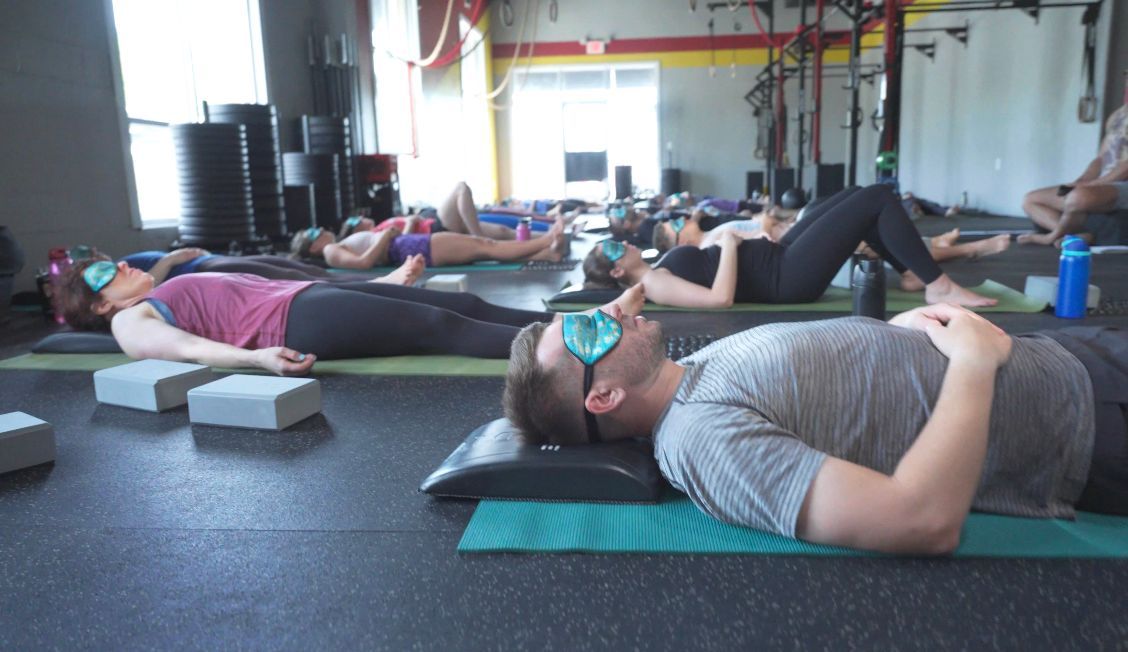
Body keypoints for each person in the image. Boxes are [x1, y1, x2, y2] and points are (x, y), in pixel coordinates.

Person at [503, 298, 1126, 555]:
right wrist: (972, 363)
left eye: (587, 314)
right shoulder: (702, 440)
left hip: (1067, 355)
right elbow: (919, 519)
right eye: (592, 332)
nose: (613, 308)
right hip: (1087, 423)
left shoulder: (690, 369)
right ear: (604, 397)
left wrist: (898, 330)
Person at [586, 185, 996, 308]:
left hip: (777, 257)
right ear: (617, 272)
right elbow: (720, 299)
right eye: (610, 250)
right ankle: (935, 283)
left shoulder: (660, 264)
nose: (619, 243)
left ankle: (910, 272)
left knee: (845, 199)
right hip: (787, 278)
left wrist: (741, 237)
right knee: (878, 199)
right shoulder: (653, 284)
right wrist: (730, 243)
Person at [1019, 75, 1128, 246]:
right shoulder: (1117, 116)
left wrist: (1094, 185)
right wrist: (1083, 180)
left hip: (1122, 186)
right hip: (1100, 187)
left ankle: (1051, 237)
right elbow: (1101, 158)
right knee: (1031, 200)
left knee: (1077, 197)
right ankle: (1079, 235)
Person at [291, 215, 566, 270]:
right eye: (314, 234)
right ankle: (545, 239)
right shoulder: (330, 250)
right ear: (313, 247)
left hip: (409, 244)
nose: (320, 230)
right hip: (412, 248)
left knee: (483, 248)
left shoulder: (336, 244)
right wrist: (385, 236)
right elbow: (363, 263)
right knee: (485, 245)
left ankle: (545, 254)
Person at [115, 248, 424, 286]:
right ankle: (380, 285)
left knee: (306, 270)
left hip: (207, 259)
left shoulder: (121, 264)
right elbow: (149, 284)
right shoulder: (121, 280)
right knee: (288, 277)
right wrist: (170, 259)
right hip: (201, 270)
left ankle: (382, 280)